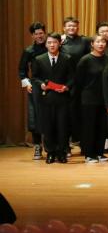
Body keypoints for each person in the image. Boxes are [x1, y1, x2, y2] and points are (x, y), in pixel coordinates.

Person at [32, 32, 75, 163]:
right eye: (49, 42)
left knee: (63, 126)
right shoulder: (39, 59)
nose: (52, 45)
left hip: (63, 98)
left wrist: (66, 87)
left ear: (59, 43)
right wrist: (41, 84)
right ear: (46, 44)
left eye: (54, 42)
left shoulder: (67, 58)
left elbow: (72, 77)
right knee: (48, 126)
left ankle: (62, 152)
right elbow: (35, 77)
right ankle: (50, 152)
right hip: (46, 98)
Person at [75, 35, 108, 163]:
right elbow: (79, 81)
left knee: (102, 126)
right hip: (89, 98)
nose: (101, 44)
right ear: (92, 44)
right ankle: (89, 154)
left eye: (103, 41)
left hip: (104, 98)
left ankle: (99, 152)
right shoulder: (85, 60)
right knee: (89, 127)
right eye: (98, 42)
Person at [18, 22, 48, 159]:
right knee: (35, 117)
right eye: (36, 34)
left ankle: (51, 145)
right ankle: (37, 146)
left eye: (41, 33)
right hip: (35, 86)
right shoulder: (29, 51)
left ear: (44, 33)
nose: (39, 36)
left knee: (52, 115)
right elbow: (22, 69)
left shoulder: (51, 46)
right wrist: (27, 83)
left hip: (51, 86)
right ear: (32, 36)